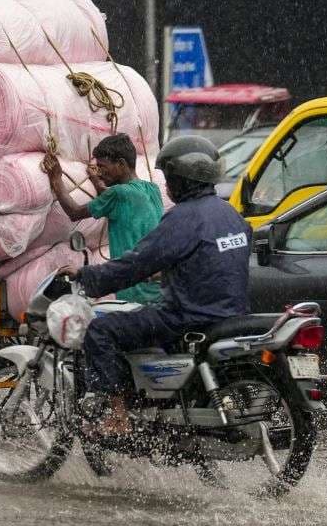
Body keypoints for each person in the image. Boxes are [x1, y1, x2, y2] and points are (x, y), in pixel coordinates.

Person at [63, 136, 252, 435]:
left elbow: (137, 261)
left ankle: (118, 415)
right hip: (230, 312)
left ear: (181, 179)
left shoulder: (183, 218)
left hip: (187, 314)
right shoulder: (230, 214)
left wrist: (88, 277)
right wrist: (168, 274)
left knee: (100, 331)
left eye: (169, 178)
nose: (166, 185)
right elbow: (209, 262)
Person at [43, 133, 162, 304]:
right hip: (155, 291)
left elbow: (74, 212)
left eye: (103, 167)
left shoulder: (118, 194)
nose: (100, 171)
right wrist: (96, 181)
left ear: (121, 164)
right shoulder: (152, 190)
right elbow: (114, 199)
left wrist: (56, 178)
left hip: (134, 292)